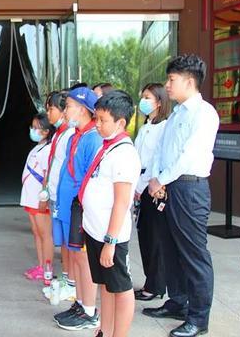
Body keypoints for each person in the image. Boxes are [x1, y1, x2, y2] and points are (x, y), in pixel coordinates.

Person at [144, 54, 219, 337]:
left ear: (189, 82)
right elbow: (162, 151)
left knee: (193, 254)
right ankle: (177, 301)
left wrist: (160, 179)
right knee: (170, 248)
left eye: (172, 80)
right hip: (167, 187)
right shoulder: (176, 114)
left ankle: (198, 318)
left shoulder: (204, 114)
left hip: (189, 189)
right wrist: (155, 180)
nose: (168, 85)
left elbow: (188, 157)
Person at [82, 90, 141, 337]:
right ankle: (104, 331)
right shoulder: (107, 147)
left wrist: (111, 242)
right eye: (96, 119)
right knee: (105, 285)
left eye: (103, 120)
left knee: (121, 288)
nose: (97, 124)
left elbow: (121, 202)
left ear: (120, 123)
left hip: (111, 236)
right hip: (95, 230)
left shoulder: (125, 154)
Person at [53, 87, 103, 331]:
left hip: (81, 208)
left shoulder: (93, 138)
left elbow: (92, 177)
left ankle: (90, 311)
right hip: (69, 206)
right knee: (75, 256)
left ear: (83, 110)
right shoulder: (76, 136)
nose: (66, 110)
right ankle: (81, 304)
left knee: (83, 259)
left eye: (70, 106)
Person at [134, 83, 171, 301]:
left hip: (152, 185)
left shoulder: (164, 127)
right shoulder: (146, 126)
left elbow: (156, 162)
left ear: (159, 101)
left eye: (147, 97)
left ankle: (156, 285)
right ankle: (150, 280)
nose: (143, 101)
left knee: (155, 238)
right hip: (140, 185)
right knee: (145, 236)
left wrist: (142, 185)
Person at [44, 91, 77, 299]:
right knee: (63, 242)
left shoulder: (71, 134)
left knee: (70, 243)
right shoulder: (58, 133)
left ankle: (72, 284)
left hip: (65, 197)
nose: (48, 113)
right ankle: (66, 278)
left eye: (51, 108)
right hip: (55, 193)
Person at [21, 113, 55, 280]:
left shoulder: (48, 149)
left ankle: (47, 267)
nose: (33, 131)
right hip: (30, 197)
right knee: (36, 232)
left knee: (44, 234)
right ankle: (40, 265)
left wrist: (44, 198)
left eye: (37, 128)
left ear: (47, 131)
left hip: (39, 200)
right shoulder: (38, 147)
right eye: (32, 127)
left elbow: (46, 176)